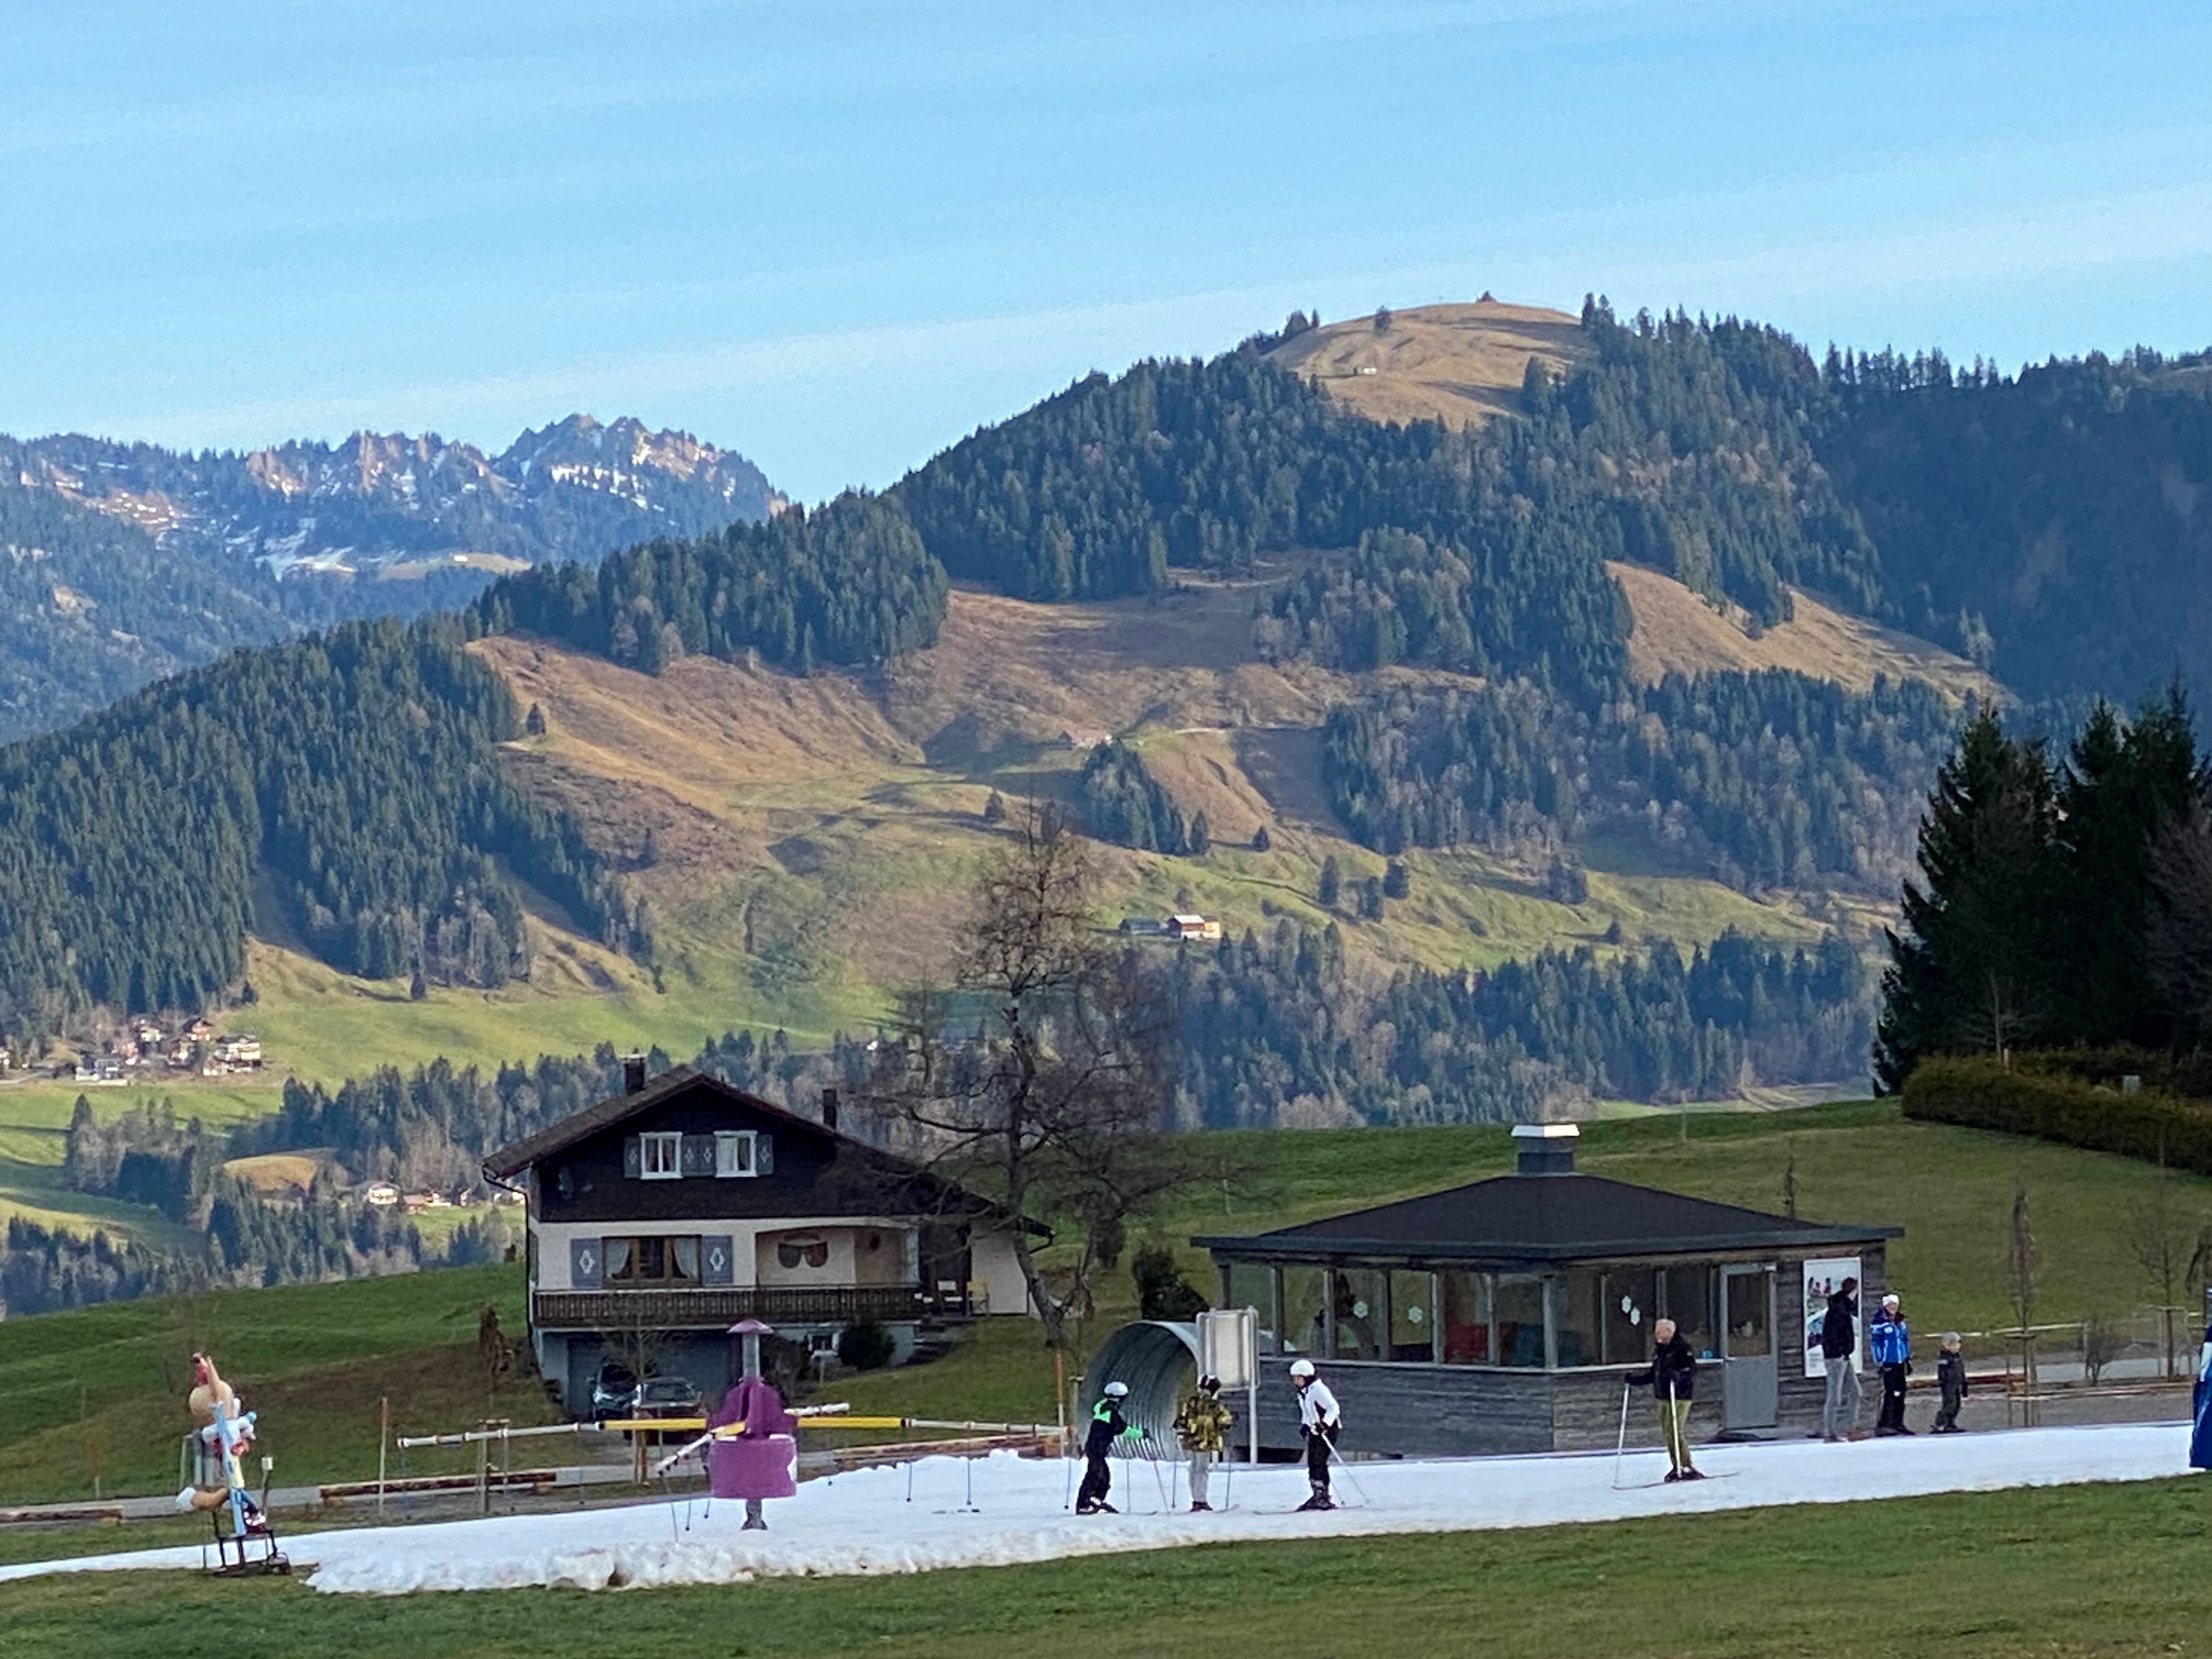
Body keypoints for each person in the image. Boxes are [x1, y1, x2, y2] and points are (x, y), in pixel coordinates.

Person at [1626, 1317, 1703, 1481]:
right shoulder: (1660, 1351)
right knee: (1668, 1433)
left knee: (1676, 1431)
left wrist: (1679, 1375)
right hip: (1663, 1396)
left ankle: (1687, 1465)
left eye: (1659, 1331)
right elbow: (1653, 1375)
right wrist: (1634, 1380)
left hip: (1680, 1396)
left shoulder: (1681, 1348)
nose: (1656, 1334)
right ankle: (1676, 1465)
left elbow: (1691, 1369)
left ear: (1669, 1332)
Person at [1173, 1373, 1233, 1513]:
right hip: (1205, 1441)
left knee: (1194, 1469)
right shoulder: (1214, 1405)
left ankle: (1195, 1498)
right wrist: (1228, 1423)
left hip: (1191, 1440)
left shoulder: (1192, 1402)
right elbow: (1225, 1420)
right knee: (1202, 1470)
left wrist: (1180, 1426)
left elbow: (1182, 1418)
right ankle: (1201, 1500)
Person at [1076, 1380, 1137, 1514]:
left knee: (1104, 1476)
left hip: (1096, 1448)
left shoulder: (1102, 1408)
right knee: (1095, 1475)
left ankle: (1096, 1501)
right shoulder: (1109, 1413)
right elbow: (1124, 1429)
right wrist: (1141, 1434)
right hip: (1097, 1448)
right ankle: (1084, 1504)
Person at [1289, 1358, 1340, 1511]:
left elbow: (1333, 1408)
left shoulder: (1318, 1389)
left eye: (1298, 1378)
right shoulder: (1303, 1393)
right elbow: (1307, 1411)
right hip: (1314, 1429)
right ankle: (1317, 1493)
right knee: (1312, 1461)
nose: (1296, 1382)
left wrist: (1325, 1424)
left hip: (1327, 1430)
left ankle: (1323, 1496)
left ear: (1307, 1377)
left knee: (1319, 1460)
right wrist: (1305, 1425)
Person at [1819, 1276, 1864, 1443]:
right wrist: (1837, 1352)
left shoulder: (1843, 1307)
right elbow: (1831, 1335)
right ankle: (1829, 1432)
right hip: (1836, 1358)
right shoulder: (1839, 1310)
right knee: (1835, 1396)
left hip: (1844, 1357)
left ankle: (1852, 1427)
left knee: (1856, 1391)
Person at [1870, 1293, 1912, 1435]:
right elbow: (1876, 1343)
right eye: (1890, 1305)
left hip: (1900, 1362)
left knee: (1900, 1392)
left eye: (1895, 1305)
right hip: (1889, 1362)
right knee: (1891, 1392)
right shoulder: (1880, 1323)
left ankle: (1898, 1421)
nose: (1893, 1307)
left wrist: (1907, 1358)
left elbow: (1905, 1341)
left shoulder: (1901, 1323)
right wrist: (1880, 1361)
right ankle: (1885, 1422)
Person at [1933, 1333, 1968, 1433]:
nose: (1957, 1347)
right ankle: (1941, 1423)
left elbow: (1961, 1370)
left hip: (1957, 1383)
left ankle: (1951, 1423)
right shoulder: (1945, 1358)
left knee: (1957, 1405)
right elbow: (1942, 1372)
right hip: (1948, 1384)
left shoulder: (1957, 1358)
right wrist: (1943, 1382)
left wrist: (1964, 1383)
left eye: (1958, 1345)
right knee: (1949, 1405)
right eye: (1954, 1345)